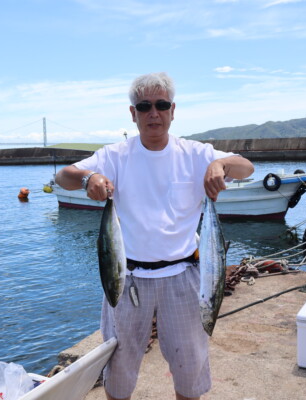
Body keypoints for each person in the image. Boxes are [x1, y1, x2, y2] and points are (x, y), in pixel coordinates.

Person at [55, 72, 254, 400]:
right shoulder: (115, 156)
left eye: (161, 105)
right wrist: (89, 176)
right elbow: (63, 177)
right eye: (144, 106)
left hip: (184, 278)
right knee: (118, 370)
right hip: (126, 278)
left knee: (189, 370)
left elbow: (246, 167)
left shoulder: (195, 153)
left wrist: (222, 165)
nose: (153, 113)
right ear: (132, 113)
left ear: (173, 110)